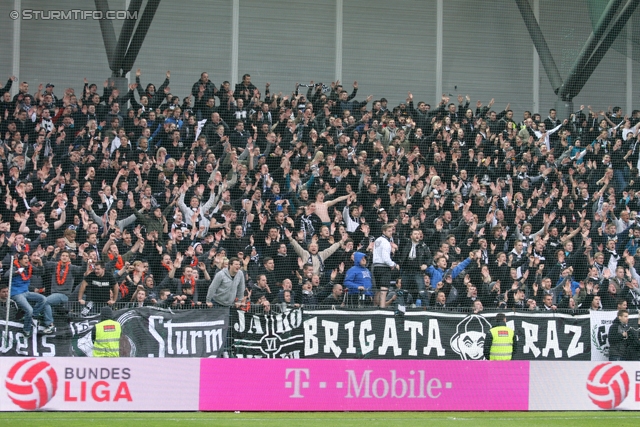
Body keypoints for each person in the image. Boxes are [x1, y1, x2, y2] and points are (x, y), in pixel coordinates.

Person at [5, 252, 52, 337]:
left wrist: (41, 263)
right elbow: (6, 275)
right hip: (16, 293)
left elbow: (40, 272)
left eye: (27, 258)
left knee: (43, 299)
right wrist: (16, 272)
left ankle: (32, 315)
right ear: (19, 260)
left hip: (26, 292)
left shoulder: (29, 268)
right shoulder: (15, 267)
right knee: (29, 310)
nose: (27, 260)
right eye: (25, 258)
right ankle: (26, 330)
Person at [372, 224, 398, 308]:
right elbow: (385, 258)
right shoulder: (386, 242)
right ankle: (382, 309)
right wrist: (394, 264)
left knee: (378, 290)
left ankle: (375, 306)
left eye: (391, 231)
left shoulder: (377, 240)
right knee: (384, 290)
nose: (391, 233)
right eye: (389, 231)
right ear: (384, 231)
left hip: (376, 267)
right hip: (384, 267)